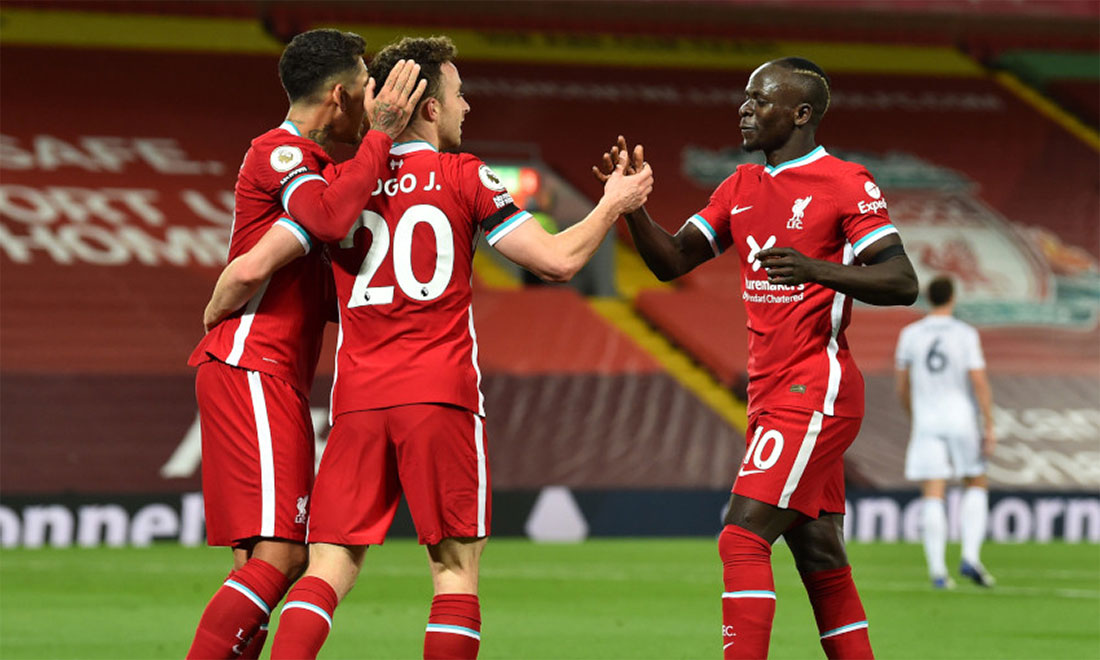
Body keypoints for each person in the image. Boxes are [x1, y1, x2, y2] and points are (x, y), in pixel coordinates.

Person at [265, 35, 652, 660]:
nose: (466, 106)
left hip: (358, 400)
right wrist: (613, 203)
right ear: (429, 107)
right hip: (439, 395)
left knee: (327, 569)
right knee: (453, 571)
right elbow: (556, 261)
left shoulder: (339, 184)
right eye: (458, 94)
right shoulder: (465, 175)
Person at [594, 57, 918, 659]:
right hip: (770, 394)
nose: (743, 108)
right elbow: (672, 261)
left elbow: (902, 281)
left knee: (741, 536)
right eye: (745, 97)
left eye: (759, 99)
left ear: (800, 114)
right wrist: (629, 206)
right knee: (820, 555)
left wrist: (816, 268)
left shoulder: (844, 182)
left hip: (814, 389)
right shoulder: (740, 186)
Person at [185, 28, 425, 659]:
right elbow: (326, 218)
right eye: (368, 87)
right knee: (284, 555)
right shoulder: (281, 152)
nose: (376, 99)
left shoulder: (322, 171)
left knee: (260, 562)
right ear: (341, 95)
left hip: (272, 370)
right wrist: (383, 136)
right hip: (252, 363)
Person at [895, 274, 996, 589]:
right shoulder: (964, 334)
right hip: (960, 418)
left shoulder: (910, 334)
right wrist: (989, 423)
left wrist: (915, 415)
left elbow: (902, 385)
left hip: (927, 420)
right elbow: (978, 381)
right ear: (952, 297)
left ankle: (938, 572)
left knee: (933, 491)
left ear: (928, 298)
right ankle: (970, 556)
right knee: (975, 480)